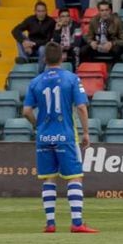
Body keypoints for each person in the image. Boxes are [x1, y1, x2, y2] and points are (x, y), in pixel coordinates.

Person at [22, 42, 97, 233]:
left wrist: (37, 125)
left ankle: (50, 223)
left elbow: (26, 111)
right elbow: (81, 107)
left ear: (45, 59)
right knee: (74, 178)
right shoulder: (71, 79)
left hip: (44, 136)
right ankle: (77, 223)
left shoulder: (36, 81)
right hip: (65, 135)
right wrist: (86, 132)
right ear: (62, 58)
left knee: (49, 179)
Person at [11, 1, 54, 69]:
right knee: (20, 37)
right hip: (29, 48)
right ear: (35, 11)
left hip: (42, 48)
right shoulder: (30, 19)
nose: (41, 13)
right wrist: (24, 42)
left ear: (46, 11)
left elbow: (48, 40)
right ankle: (24, 58)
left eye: (43, 11)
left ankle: (40, 70)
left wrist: (33, 44)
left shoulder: (51, 22)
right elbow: (15, 30)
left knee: (42, 49)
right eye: (39, 11)